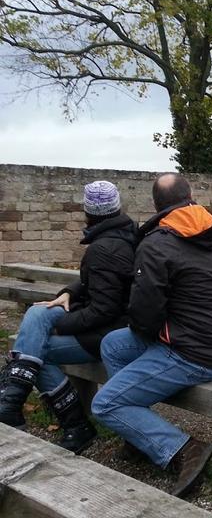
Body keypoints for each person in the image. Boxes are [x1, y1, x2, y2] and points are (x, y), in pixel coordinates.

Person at [92, 173, 212, 498]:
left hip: (192, 353)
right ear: (191, 196)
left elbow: (144, 315)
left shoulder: (156, 243)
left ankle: (184, 448)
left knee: (105, 404)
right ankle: (137, 437)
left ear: (156, 205)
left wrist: (151, 330)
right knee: (113, 345)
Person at [0, 181, 137, 454]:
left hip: (110, 335)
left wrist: (61, 326)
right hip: (113, 325)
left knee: (37, 349)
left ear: (87, 211)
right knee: (38, 313)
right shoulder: (124, 234)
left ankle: (67, 421)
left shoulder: (103, 248)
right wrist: (68, 292)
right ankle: (14, 401)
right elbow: (101, 281)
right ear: (118, 207)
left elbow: (104, 310)